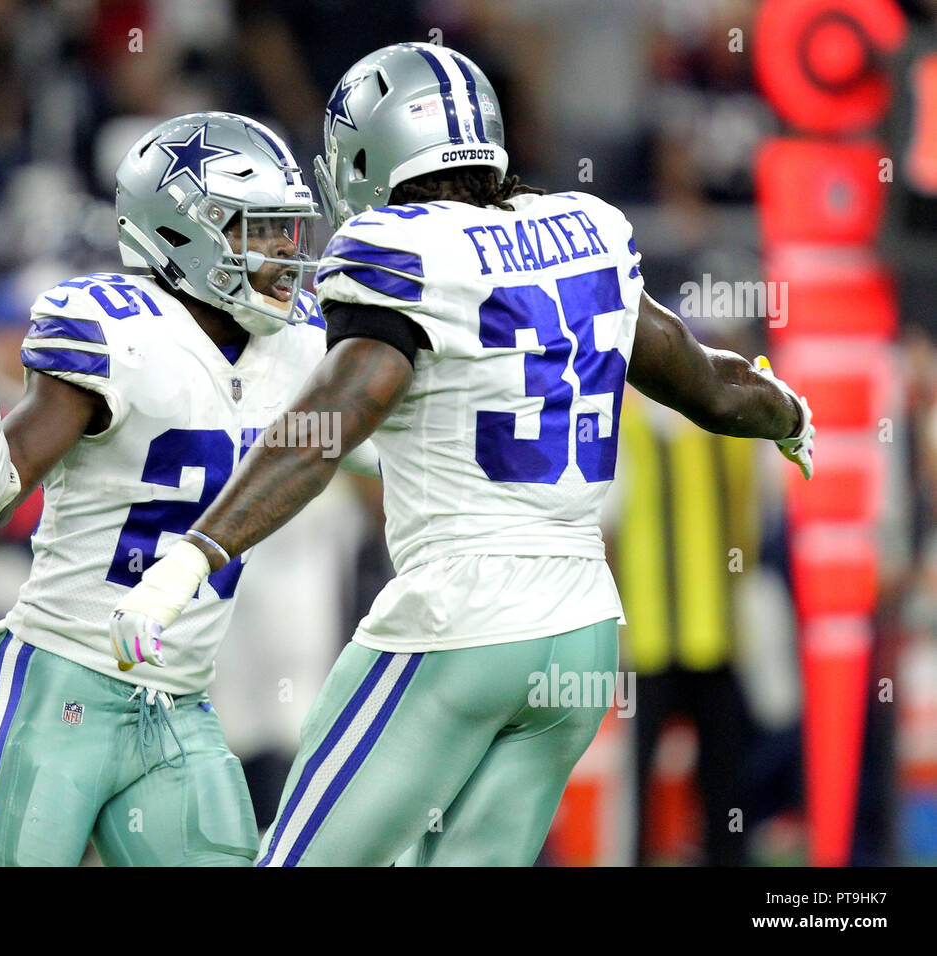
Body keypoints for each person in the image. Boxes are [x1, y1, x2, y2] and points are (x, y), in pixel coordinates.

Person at [108, 42, 816, 867]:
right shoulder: (586, 227)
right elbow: (709, 385)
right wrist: (790, 412)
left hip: (459, 621)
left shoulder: (403, 250)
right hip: (581, 631)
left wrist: (190, 558)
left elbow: (330, 425)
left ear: (372, 153)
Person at [0, 111, 380, 867]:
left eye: (290, 229)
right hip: (58, 684)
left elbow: (378, 449)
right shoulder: (117, 330)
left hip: (177, 702)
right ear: (182, 232)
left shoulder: (300, 343)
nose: (286, 254)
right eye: (258, 230)